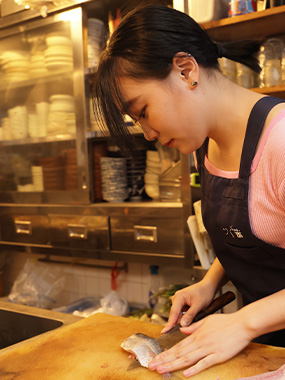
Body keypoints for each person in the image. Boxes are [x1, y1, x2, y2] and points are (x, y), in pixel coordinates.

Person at [92, 4, 285, 378]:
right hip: (266, 349)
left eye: (143, 110)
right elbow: (259, 233)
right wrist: (210, 282)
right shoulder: (203, 145)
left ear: (185, 70)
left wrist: (244, 322)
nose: (147, 132)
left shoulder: (280, 142)